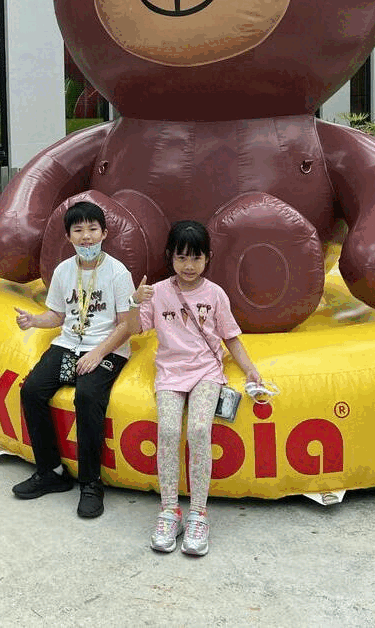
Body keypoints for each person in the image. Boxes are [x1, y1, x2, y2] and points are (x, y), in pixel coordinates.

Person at [133, 220, 262, 556]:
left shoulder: (215, 294)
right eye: (181, 258)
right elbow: (135, 328)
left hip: (206, 372)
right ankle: (169, 510)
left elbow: (231, 336)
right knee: (168, 430)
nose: (188, 266)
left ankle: (199, 513)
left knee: (200, 429)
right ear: (169, 258)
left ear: (207, 258)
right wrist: (135, 302)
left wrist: (249, 368)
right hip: (170, 374)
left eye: (196, 258)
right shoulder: (158, 292)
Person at [12, 200, 138, 518]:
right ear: (68, 237)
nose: (86, 237)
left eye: (92, 229)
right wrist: (33, 321)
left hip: (107, 348)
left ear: (104, 233)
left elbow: (129, 325)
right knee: (32, 390)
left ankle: (91, 483)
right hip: (70, 344)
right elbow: (56, 314)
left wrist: (98, 354)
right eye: (78, 230)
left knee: (87, 395)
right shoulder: (63, 271)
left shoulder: (118, 273)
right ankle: (51, 472)